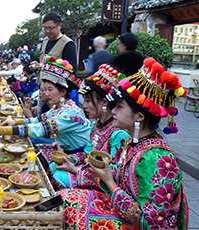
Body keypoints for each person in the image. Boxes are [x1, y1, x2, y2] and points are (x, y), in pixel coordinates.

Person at [58, 57, 188, 229]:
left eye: (119, 106)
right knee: (64, 198)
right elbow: (113, 176)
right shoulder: (134, 143)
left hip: (140, 224)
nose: (113, 111)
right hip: (124, 209)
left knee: (73, 212)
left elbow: (149, 222)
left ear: (139, 116)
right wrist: (95, 174)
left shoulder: (157, 158)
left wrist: (111, 184)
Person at [0, 56, 90, 155]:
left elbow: (41, 128)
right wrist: (14, 122)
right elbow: (38, 120)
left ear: (63, 92)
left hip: (75, 155)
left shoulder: (70, 113)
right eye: (45, 89)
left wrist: (1, 130)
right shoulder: (58, 107)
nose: (46, 94)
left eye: (50, 90)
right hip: (62, 148)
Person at [49, 64, 130, 190]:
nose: (84, 106)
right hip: (89, 171)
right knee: (54, 165)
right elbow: (86, 154)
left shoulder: (119, 134)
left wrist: (75, 170)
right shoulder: (96, 125)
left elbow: (114, 176)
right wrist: (68, 158)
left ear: (104, 102)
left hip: (103, 185)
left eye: (88, 101)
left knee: (60, 176)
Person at [31, 12, 77, 85]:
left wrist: (46, 67)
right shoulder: (45, 41)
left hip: (57, 89)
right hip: (42, 86)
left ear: (59, 25)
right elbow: (43, 61)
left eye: (51, 28)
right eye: (45, 28)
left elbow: (72, 70)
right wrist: (37, 65)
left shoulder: (67, 44)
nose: (47, 31)